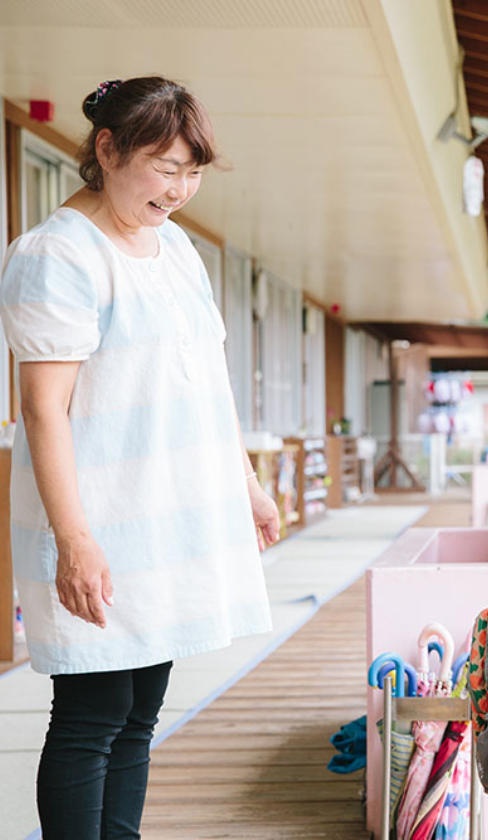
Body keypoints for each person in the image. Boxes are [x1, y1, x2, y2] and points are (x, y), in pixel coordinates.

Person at [0, 76, 278, 838]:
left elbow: (205, 379)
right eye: (165, 167)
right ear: (107, 149)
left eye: (192, 171)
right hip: (102, 519)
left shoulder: (176, 246)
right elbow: (42, 411)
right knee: (92, 716)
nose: (180, 188)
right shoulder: (56, 253)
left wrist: (245, 483)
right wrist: (75, 541)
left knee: (139, 713)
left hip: (171, 519)